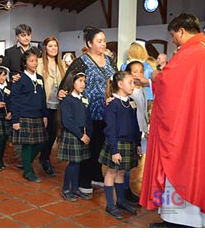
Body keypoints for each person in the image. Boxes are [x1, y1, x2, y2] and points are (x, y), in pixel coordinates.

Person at [139, 13, 205, 228]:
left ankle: (179, 222)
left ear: (182, 31)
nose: (173, 40)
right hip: (199, 120)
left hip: (186, 125)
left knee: (180, 164)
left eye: (173, 35)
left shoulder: (191, 51)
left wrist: (154, 77)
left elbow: (169, 82)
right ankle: (196, 218)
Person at [59, 26, 117, 194]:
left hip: (105, 110)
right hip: (86, 110)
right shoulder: (81, 61)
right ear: (89, 43)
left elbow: (116, 80)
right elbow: (68, 81)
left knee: (100, 144)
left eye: (104, 41)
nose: (103, 44)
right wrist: (62, 91)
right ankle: (83, 180)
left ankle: (96, 175)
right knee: (87, 146)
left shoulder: (110, 60)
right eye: (99, 41)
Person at [98, 71, 141, 219]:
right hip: (116, 143)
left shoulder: (131, 103)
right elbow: (110, 129)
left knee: (122, 172)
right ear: (120, 84)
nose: (133, 85)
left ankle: (121, 201)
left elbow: (135, 125)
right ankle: (110, 204)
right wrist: (115, 150)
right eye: (130, 82)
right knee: (111, 172)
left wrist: (138, 143)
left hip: (129, 143)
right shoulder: (113, 104)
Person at [10, 48, 48, 183]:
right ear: (25, 63)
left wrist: (45, 115)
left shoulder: (39, 78)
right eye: (31, 61)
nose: (35, 63)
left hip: (38, 115)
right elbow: (14, 99)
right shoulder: (19, 79)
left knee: (40, 143)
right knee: (27, 145)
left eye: (35, 60)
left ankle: (26, 162)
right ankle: (28, 171)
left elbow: (43, 97)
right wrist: (15, 120)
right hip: (24, 116)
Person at [1, 24, 34, 167]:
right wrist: (10, 77)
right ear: (17, 37)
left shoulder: (36, 51)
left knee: (31, 124)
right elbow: (2, 71)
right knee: (17, 123)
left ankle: (29, 155)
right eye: (22, 35)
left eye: (28, 35)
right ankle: (20, 156)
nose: (26, 37)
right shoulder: (10, 52)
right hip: (16, 92)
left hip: (32, 93)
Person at [59, 70, 92, 201]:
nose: (83, 84)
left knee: (78, 163)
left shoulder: (84, 99)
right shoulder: (67, 100)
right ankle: (66, 188)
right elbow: (67, 121)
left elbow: (88, 118)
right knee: (73, 163)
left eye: (84, 81)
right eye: (80, 81)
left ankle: (75, 188)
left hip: (83, 134)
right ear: (72, 82)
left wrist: (88, 133)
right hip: (74, 134)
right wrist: (80, 135)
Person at [36, 36, 66, 177]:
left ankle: (45, 157)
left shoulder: (62, 64)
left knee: (53, 133)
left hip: (58, 104)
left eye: (55, 46)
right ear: (45, 48)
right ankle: (41, 157)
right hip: (44, 103)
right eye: (50, 46)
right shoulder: (40, 63)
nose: (53, 48)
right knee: (44, 133)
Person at [123, 61, 148, 205]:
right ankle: (124, 191)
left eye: (141, 71)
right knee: (126, 164)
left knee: (133, 163)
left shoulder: (142, 89)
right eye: (135, 72)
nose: (138, 75)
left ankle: (127, 190)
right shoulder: (130, 93)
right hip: (131, 131)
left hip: (140, 130)